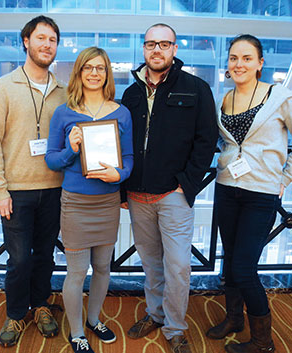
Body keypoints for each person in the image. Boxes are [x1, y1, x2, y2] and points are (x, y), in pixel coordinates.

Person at [206, 34, 292, 353]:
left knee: (244, 267)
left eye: (247, 58)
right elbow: (225, 143)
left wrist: (286, 177)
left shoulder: (279, 97)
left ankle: (263, 341)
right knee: (230, 261)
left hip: (261, 194)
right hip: (226, 188)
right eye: (234, 58)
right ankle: (234, 319)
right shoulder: (223, 99)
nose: (239, 64)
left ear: (260, 63)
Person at [121, 23, 218, 353]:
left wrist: (186, 185)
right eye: (150, 44)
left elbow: (206, 141)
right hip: (137, 195)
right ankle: (156, 313)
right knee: (151, 263)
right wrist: (123, 190)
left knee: (177, 266)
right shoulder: (132, 91)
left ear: (175, 49)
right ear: (144, 49)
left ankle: (175, 328)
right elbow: (122, 142)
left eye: (164, 44)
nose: (157, 50)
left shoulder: (196, 88)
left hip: (173, 195)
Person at [0, 16, 66, 347]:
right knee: (19, 259)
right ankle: (15, 313)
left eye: (53, 40)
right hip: (16, 192)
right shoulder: (3, 87)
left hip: (54, 189)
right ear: (26, 41)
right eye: (41, 38)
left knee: (44, 254)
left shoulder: (63, 91)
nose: (47, 45)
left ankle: (41, 304)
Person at [45, 46, 133, 353]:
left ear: (107, 73)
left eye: (101, 68)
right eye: (88, 68)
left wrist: (119, 176)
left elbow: (130, 158)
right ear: (79, 72)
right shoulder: (63, 113)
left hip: (108, 202)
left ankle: (94, 319)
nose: (94, 73)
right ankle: (78, 333)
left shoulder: (121, 113)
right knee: (77, 271)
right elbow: (52, 161)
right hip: (76, 204)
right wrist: (70, 148)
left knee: (103, 268)